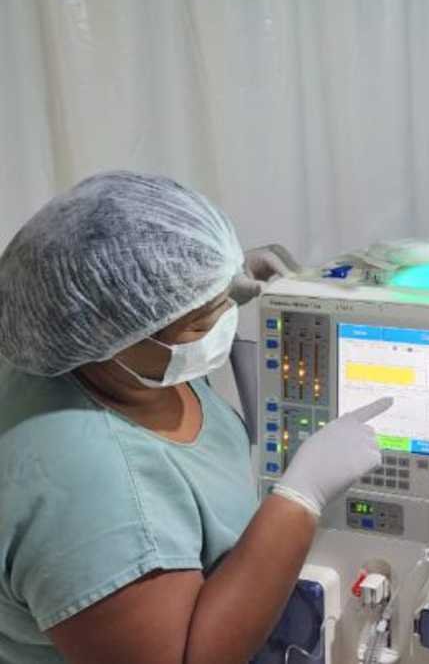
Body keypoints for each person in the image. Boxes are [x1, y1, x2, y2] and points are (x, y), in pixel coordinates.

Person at [0, 172, 389, 663]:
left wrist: (212, 285)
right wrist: (300, 498)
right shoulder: (93, 497)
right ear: (113, 333)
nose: (220, 321)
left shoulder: (61, 336)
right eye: (202, 321)